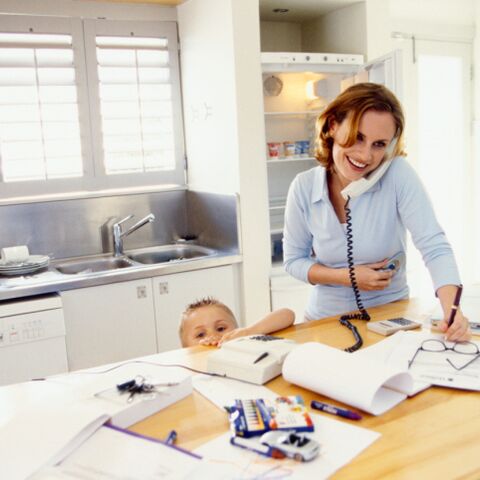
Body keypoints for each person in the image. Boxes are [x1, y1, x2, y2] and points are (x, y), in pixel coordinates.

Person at [283, 82, 470, 342]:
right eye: (358, 137)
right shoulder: (303, 186)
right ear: (333, 125)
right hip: (325, 320)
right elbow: (293, 261)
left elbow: (434, 245)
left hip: (390, 319)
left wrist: (453, 310)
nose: (365, 155)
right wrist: (347, 277)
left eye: (379, 144)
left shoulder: (397, 175)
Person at [179, 297, 295, 347]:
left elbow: (288, 314)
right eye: (201, 335)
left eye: (220, 329)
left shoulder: (244, 340)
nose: (213, 336)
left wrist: (248, 332)